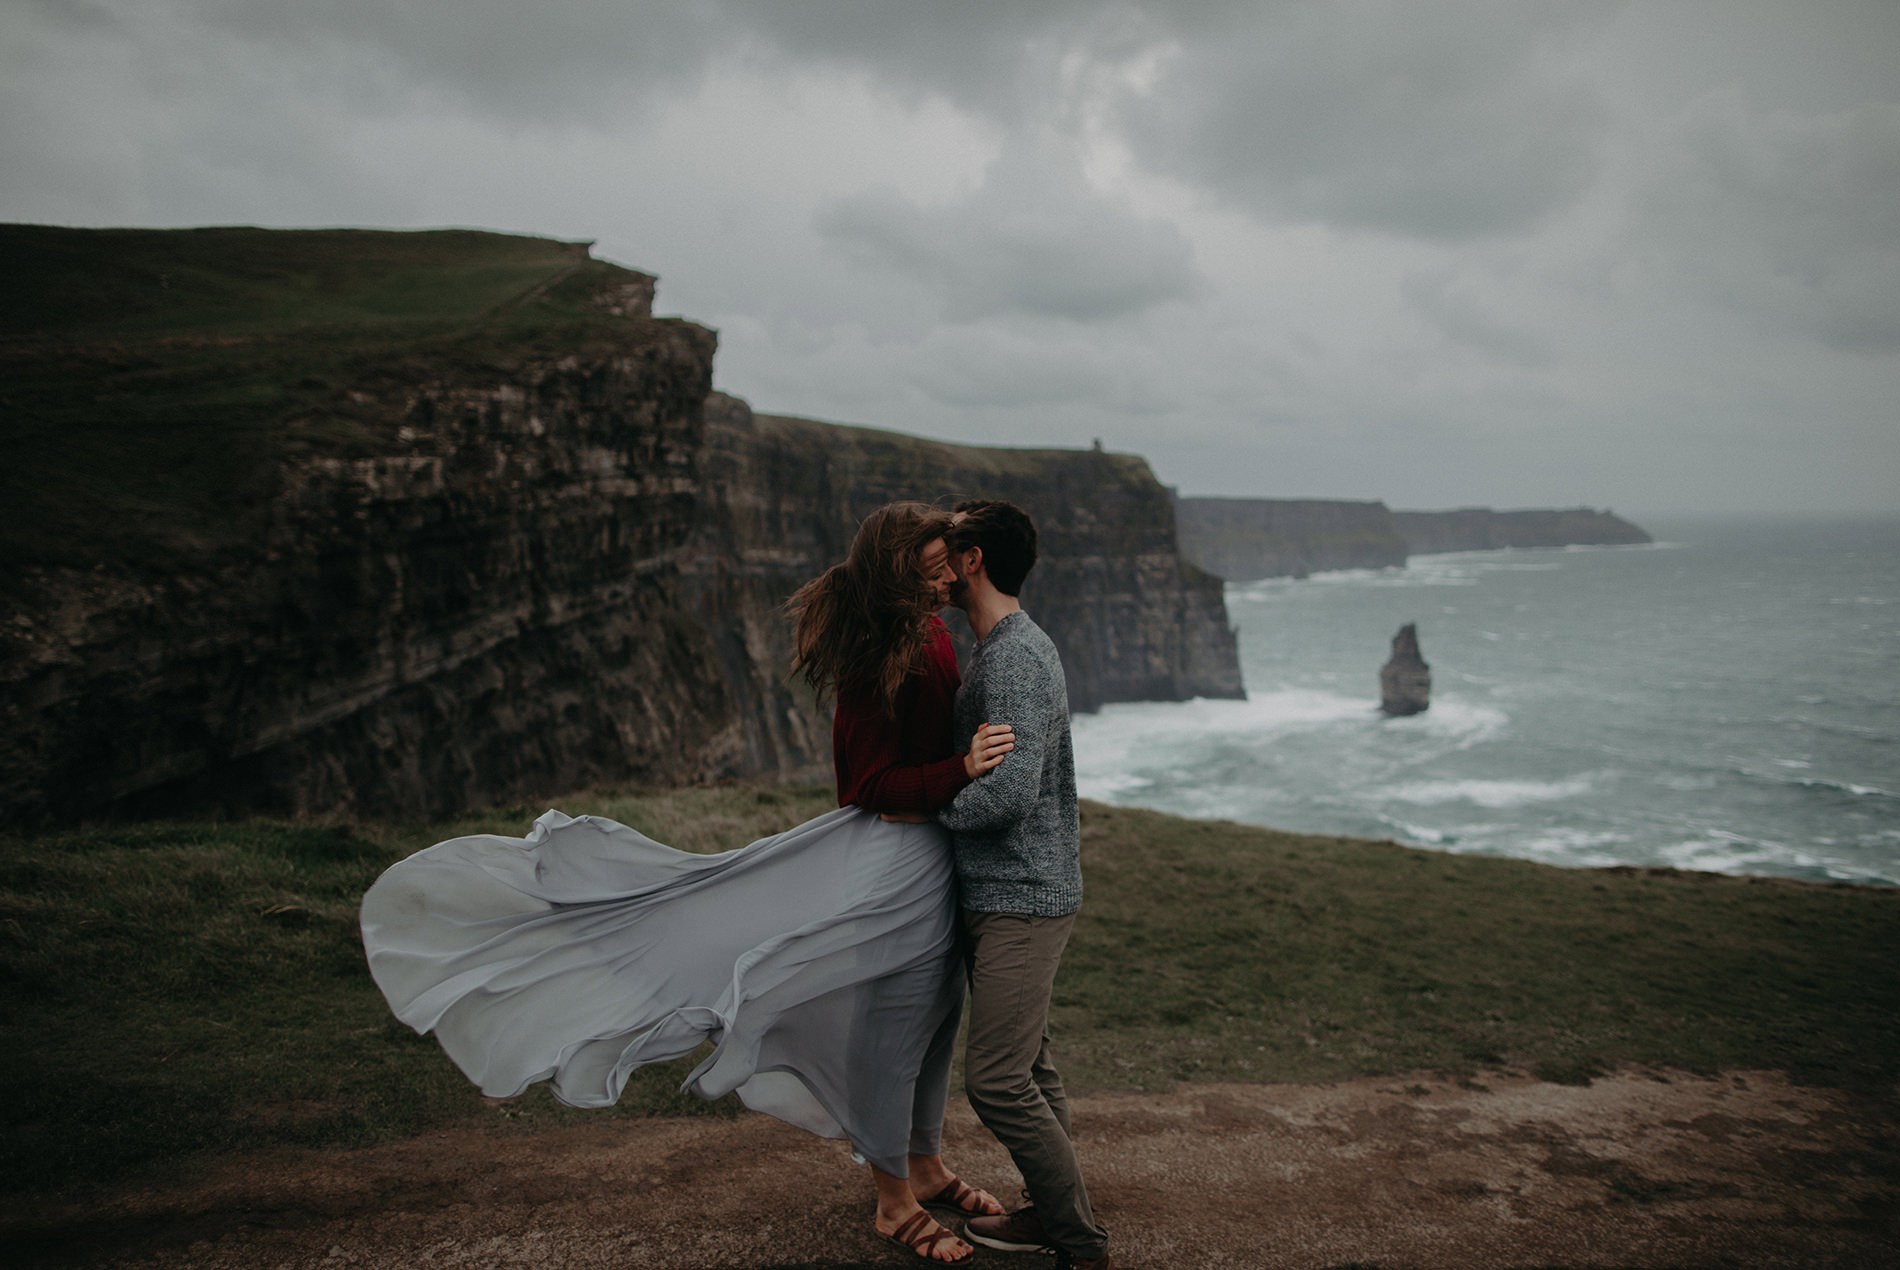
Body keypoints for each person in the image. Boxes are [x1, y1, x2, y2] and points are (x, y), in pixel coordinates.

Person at [360, 502, 1009, 1264]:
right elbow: (867, 783)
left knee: (936, 1021)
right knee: (892, 1030)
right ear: (897, 569)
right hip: (895, 859)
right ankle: (894, 1201)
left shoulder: (928, 630)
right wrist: (957, 770)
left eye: (947, 565)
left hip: (934, 859)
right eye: (932, 568)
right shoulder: (878, 653)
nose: (945, 581)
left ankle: (926, 1164)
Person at [935, 500, 1116, 1270]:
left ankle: (1079, 1242)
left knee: (998, 1080)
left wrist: (934, 807)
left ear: (972, 559)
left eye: (946, 541)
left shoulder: (1010, 658)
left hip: (1022, 899)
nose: (934, 556)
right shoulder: (1009, 648)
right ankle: (1052, 1213)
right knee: (1032, 1069)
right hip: (1016, 893)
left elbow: (1008, 793)